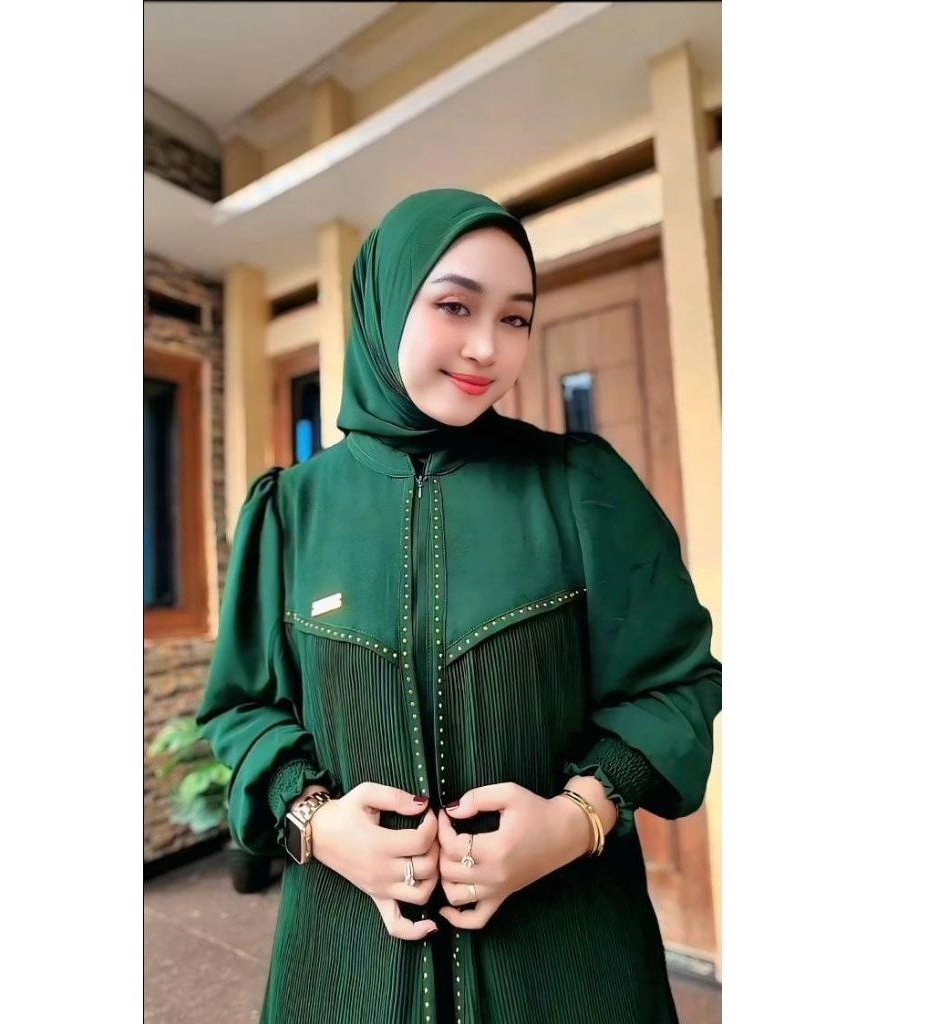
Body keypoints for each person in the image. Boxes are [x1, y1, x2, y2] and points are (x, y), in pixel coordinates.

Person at [197, 188, 722, 1024]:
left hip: (567, 962)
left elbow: (676, 685)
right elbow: (242, 708)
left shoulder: (582, 488)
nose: (487, 347)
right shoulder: (291, 510)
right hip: (348, 961)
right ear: (384, 306)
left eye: (516, 318)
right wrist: (318, 823)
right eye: (455, 306)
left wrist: (574, 820)